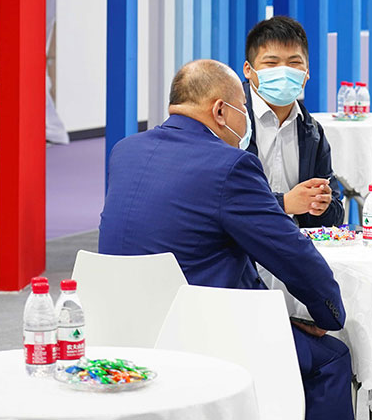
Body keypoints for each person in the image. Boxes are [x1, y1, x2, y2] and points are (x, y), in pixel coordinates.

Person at [99, 59, 353, 420]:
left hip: (120, 328)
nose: (246, 119)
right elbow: (291, 253)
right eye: (243, 108)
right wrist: (328, 314)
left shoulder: (125, 151)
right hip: (203, 333)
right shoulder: (230, 166)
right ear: (220, 111)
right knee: (331, 358)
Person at [242, 16, 344, 227]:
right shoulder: (229, 120)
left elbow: (335, 214)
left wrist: (322, 206)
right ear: (248, 70)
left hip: (294, 241)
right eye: (271, 63)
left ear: (306, 73)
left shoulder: (312, 131)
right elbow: (219, 199)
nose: (283, 71)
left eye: (294, 63)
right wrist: (285, 204)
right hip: (239, 243)